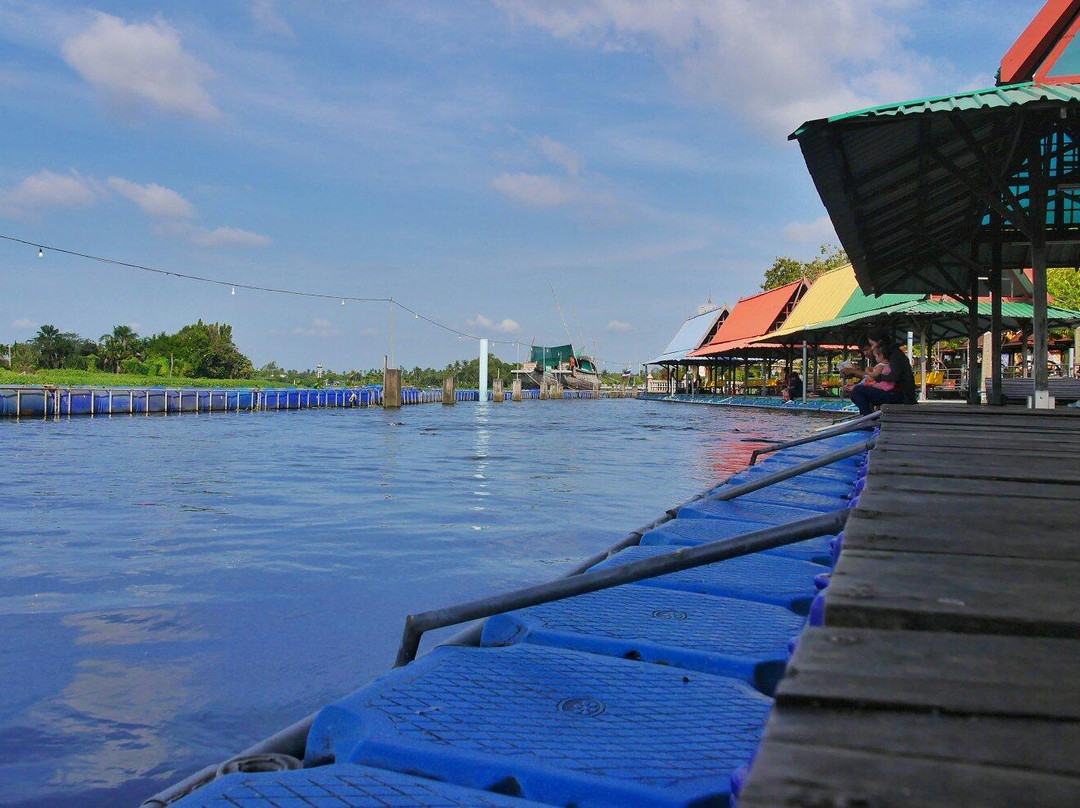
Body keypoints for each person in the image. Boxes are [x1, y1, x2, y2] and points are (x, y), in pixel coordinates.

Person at [848, 334, 916, 414]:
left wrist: (876, 378)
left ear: (879, 342)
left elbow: (894, 376)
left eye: (872, 344)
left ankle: (868, 419)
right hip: (894, 391)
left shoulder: (893, 355)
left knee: (858, 391)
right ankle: (869, 416)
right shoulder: (889, 354)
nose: (872, 347)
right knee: (858, 390)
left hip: (901, 395)